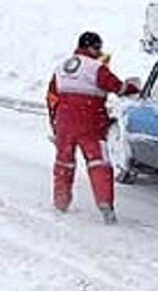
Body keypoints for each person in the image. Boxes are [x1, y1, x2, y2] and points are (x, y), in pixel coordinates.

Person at [45, 31, 138, 223]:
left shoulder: (61, 67)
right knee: (99, 164)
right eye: (98, 48)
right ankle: (105, 206)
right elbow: (117, 87)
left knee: (64, 163)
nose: (99, 51)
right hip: (90, 122)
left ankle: (60, 202)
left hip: (64, 122)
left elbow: (52, 98)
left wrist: (55, 124)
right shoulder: (97, 68)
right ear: (90, 47)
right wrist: (132, 88)